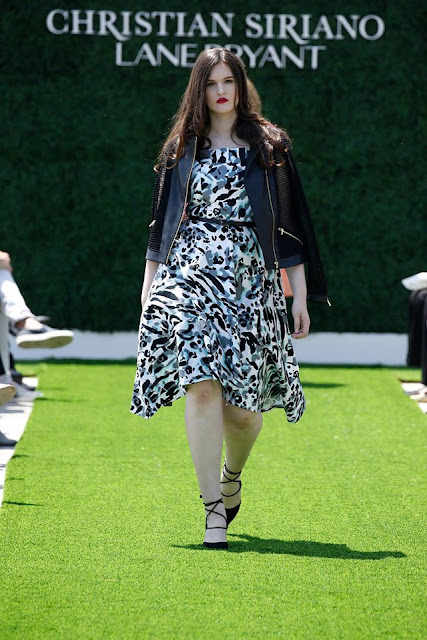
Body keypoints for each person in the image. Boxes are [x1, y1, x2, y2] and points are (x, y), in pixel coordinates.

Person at [130, 48, 329, 550]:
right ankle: (212, 511)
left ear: (241, 85)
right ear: (199, 90)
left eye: (229, 82)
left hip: (249, 280)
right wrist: (149, 287)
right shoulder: (181, 146)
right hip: (187, 275)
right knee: (200, 387)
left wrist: (300, 294)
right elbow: (161, 221)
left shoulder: (269, 145)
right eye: (211, 83)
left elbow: (290, 223)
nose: (221, 91)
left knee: (244, 413)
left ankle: (231, 475)